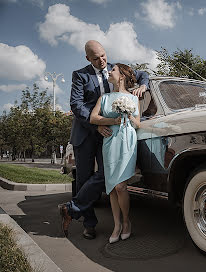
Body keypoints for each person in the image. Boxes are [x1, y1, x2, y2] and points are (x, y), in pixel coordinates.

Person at [58, 40, 149, 240]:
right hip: (86, 132)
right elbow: (76, 104)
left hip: (111, 136)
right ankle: (89, 224)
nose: (101, 61)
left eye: (103, 55)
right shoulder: (80, 75)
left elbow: (142, 74)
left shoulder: (114, 70)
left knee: (105, 176)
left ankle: (71, 208)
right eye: (96, 58)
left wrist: (143, 85)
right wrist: (97, 123)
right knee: (83, 178)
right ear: (87, 58)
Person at [90, 63, 140, 243]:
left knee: (121, 186)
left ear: (121, 76)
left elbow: (138, 124)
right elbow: (93, 118)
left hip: (127, 141)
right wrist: (111, 120)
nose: (109, 72)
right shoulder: (104, 98)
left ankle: (126, 222)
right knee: (111, 187)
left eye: (113, 70)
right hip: (110, 141)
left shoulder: (133, 98)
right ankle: (116, 225)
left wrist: (128, 114)